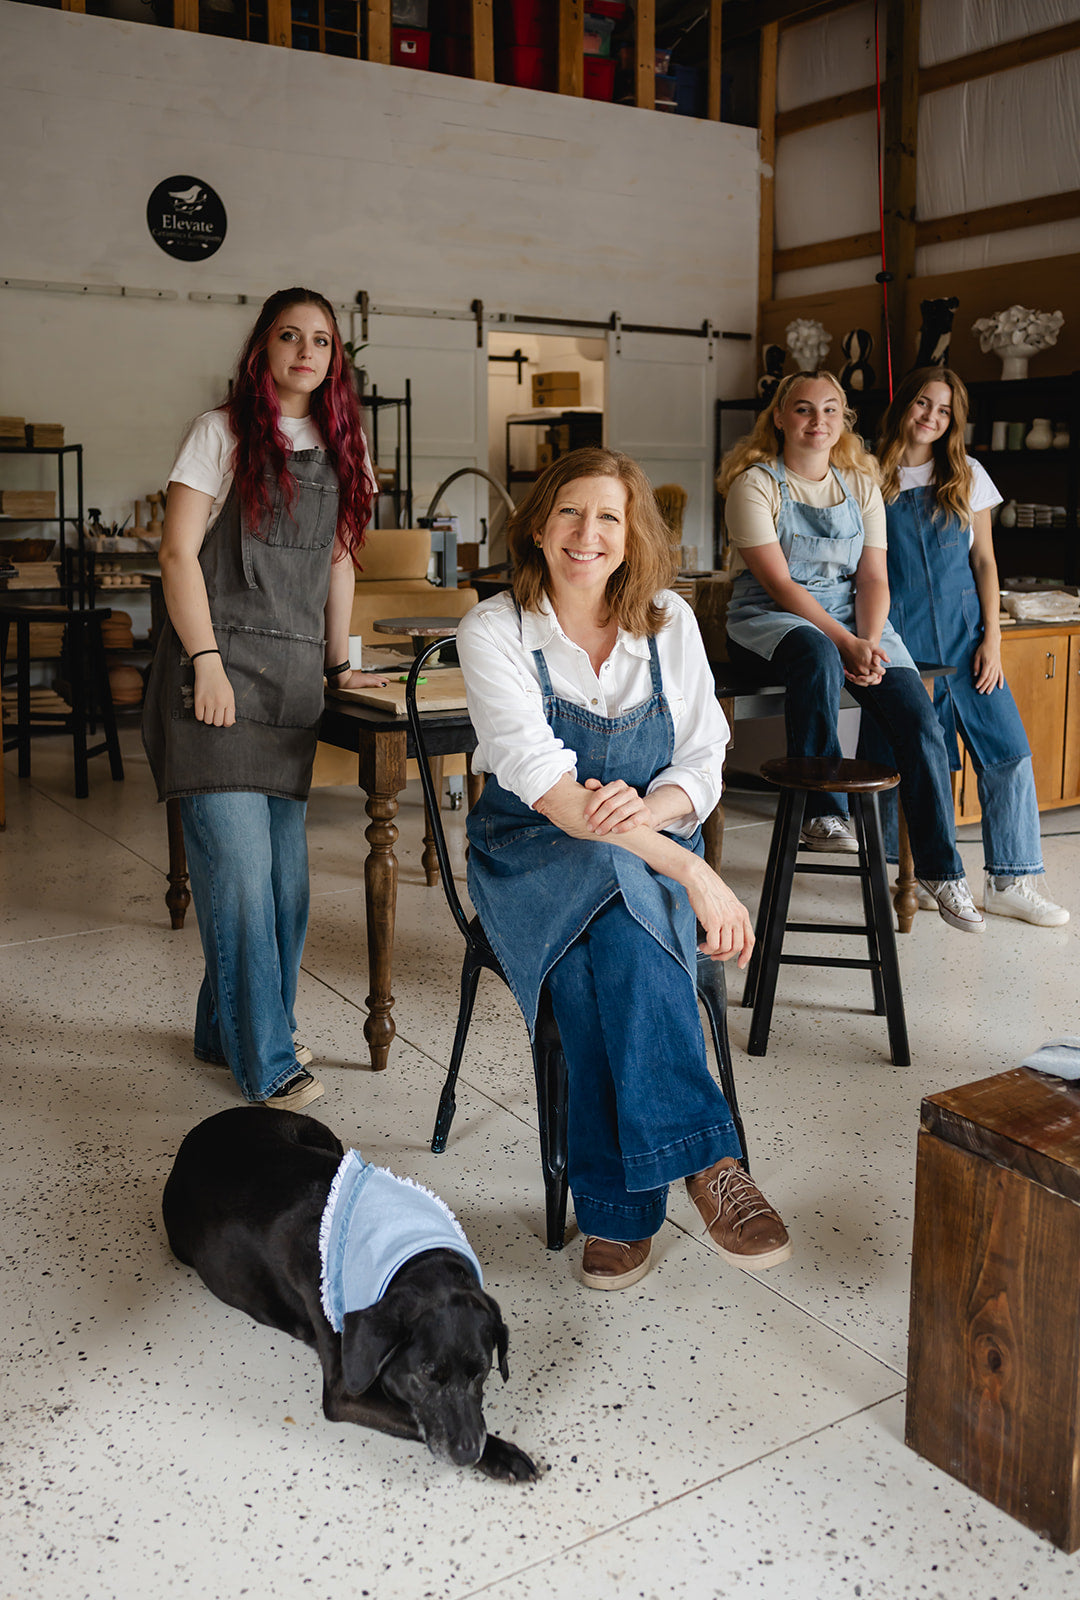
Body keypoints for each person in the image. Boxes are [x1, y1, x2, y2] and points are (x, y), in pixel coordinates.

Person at [455, 447, 791, 1292]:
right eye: (569, 512)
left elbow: (705, 757)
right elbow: (551, 793)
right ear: (537, 525)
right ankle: (711, 1162)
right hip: (531, 852)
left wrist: (655, 815)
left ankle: (618, 1214)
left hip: (643, 849)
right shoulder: (494, 630)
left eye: (609, 517)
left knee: (604, 953)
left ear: (632, 533)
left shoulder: (668, 621)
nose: (587, 533)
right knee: (609, 890)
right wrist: (695, 873)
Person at [142, 287, 388, 1109]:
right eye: (290, 335)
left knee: (284, 886)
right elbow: (177, 555)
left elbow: (339, 564)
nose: (306, 351)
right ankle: (266, 1058)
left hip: (288, 691)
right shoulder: (219, 434)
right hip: (211, 683)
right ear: (264, 348)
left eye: (321, 339)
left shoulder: (342, 447)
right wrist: (206, 660)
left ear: (334, 359)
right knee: (243, 877)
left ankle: (228, 1028)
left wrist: (338, 664)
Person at [717, 370, 984, 932]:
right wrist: (843, 644)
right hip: (770, 618)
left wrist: (866, 641)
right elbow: (782, 587)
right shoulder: (756, 484)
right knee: (815, 654)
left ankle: (942, 869)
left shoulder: (860, 485)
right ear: (782, 417)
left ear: (844, 421)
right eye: (805, 409)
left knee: (917, 713)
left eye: (831, 410)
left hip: (854, 618)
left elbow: (874, 579)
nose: (819, 421)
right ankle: (822, 814)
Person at [867, 366, 1068, 926]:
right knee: (901, 762)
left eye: (945, 409)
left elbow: (984, 561)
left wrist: (994, 638)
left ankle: (1012, 879)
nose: (932, 417)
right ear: (904, 404)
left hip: (967, 639)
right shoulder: (868, 475)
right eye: (923, 403)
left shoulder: (967, 472)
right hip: (900, 644)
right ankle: (900, 873)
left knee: (1008, 753)